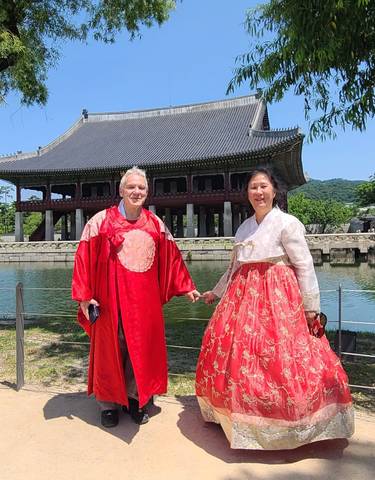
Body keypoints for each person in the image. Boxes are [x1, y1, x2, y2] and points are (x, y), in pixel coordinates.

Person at [195, 167, 354, 450]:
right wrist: (215, 293)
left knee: (283, 356)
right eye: (253, 187)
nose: (258, 192)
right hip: (241, 299)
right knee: (239, 353)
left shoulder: (287, 223)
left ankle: (292, 422)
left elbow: (304, 265)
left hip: (278, 298)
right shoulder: (244, 228)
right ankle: (238, 417)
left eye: (263, 187)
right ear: (247, 193)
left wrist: (311, 306)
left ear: (274, 191)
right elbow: (234, 269)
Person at [72, 166, 200, 428]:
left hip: (144, 302)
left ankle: (134, 399)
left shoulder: (155, 224)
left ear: (147, 192)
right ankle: (107, 404)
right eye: (131, 187)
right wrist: (84, 297)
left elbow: (171, 256)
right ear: (121, 190)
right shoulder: (100, 221)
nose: (136, 191)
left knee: (138, 350)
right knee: (111, 349)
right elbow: (83, 258)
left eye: (141, 188)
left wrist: (185, 286)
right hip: (110, 301)